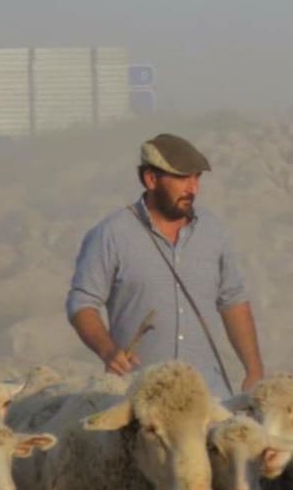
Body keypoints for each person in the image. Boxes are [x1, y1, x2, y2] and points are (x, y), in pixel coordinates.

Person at [64, 133, 265, 397]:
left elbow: (233, 301)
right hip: (141, 397)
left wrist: (254, 371)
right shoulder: (110, 235)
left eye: (196, 178)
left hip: (207, 396)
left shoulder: (213, 231)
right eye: (182, 178)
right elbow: (82, 303)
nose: (192, 188)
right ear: (151, 179)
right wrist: (108, 350)